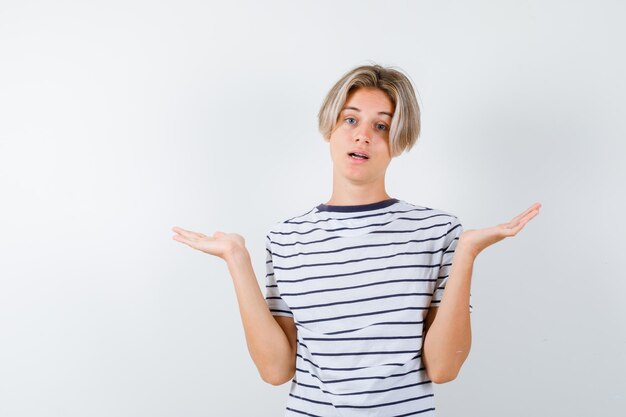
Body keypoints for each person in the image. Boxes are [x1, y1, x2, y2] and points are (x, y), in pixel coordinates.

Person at [172, 63, 541, 416]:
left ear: (399, 141)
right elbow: (275, 370)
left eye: (381, 126)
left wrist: (467, 254)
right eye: (351, 119)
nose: (363, 134)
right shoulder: (287, 239)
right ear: (329, 128)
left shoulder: (437, 232)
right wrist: (237, 259)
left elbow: (443, 368)